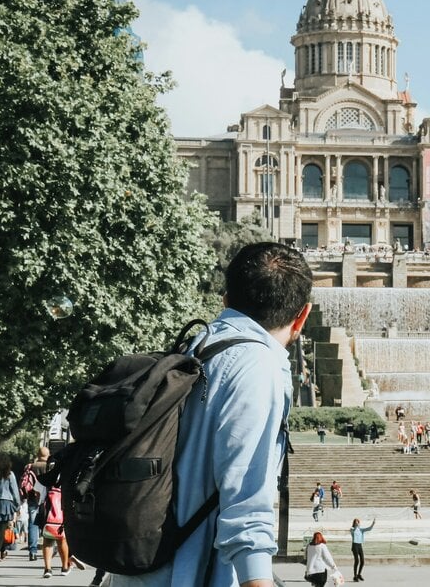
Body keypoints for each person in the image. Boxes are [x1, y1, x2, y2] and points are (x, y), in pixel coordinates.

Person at [107, 241, 312, 587]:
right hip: (192, 575)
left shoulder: (194, 346)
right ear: (302, 316)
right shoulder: (259, 366)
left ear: (226, 300)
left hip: (140, 573)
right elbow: (247, 503)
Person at [0, 453, 18, 561]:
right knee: (2, 528)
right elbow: (14, 491)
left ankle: (1, 551)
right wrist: (17, 505)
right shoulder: (10, 474)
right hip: (6, 502)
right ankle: (0, 551)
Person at [349, 517, 375, 582]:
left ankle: (359, 574)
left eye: (358, 522)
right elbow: (353, 532)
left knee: (362, 561)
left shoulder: (361, 530)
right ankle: (355, 576)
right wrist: (356, 527)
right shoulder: (352, 529)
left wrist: (373, 524)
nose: (357, 523)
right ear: (354, 523)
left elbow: (369, 529)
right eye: (356, 522)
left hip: (360, 545)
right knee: (357, 561)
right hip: (354, 545)